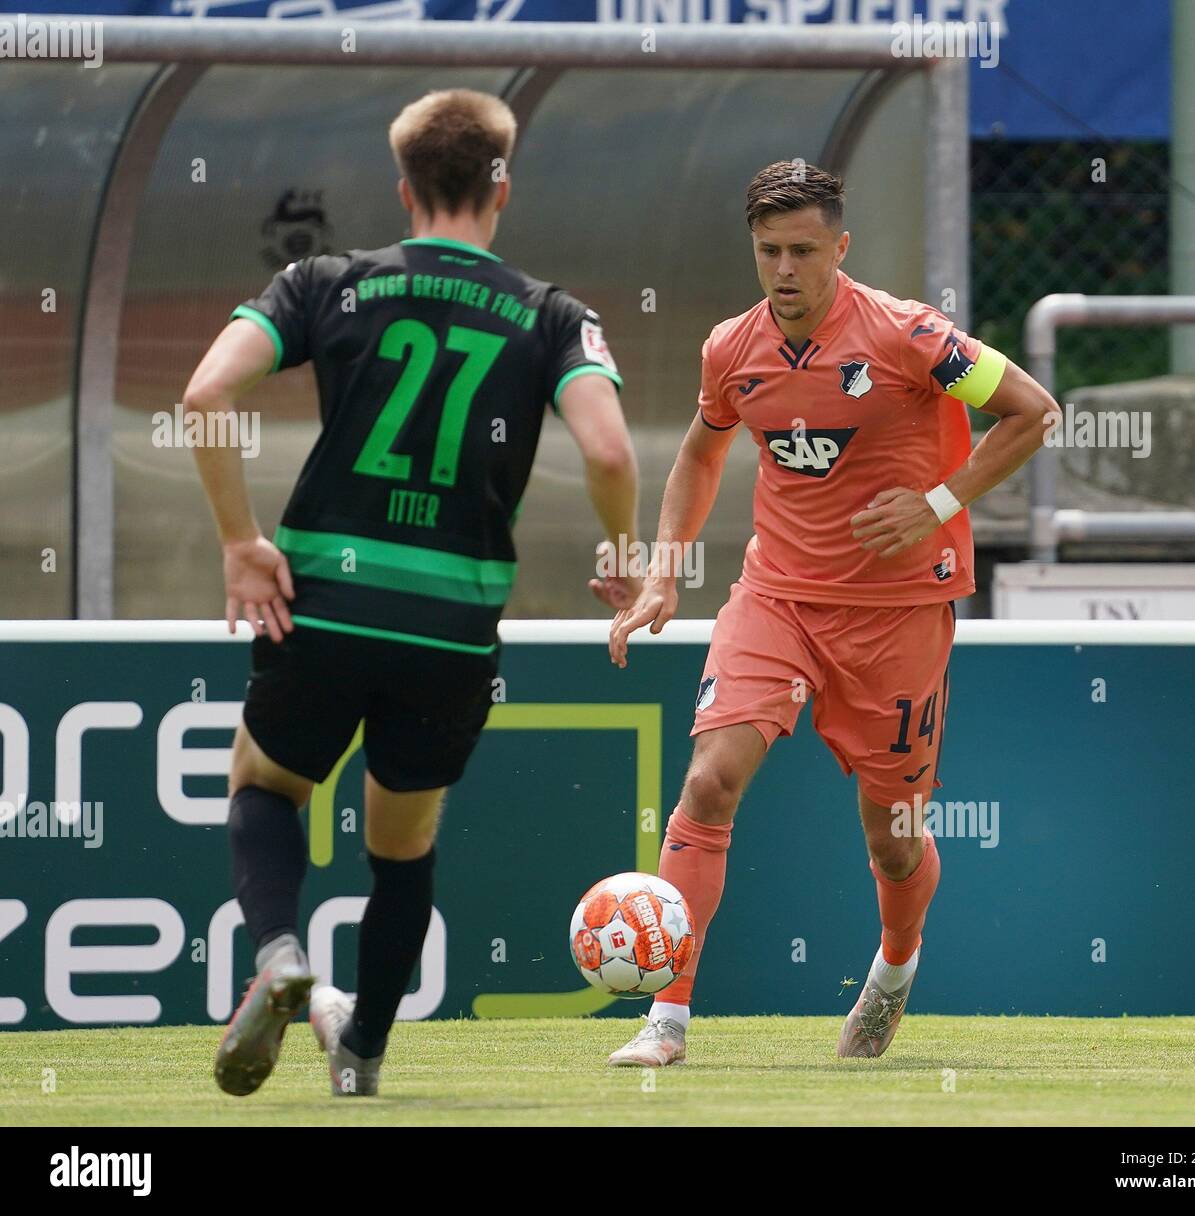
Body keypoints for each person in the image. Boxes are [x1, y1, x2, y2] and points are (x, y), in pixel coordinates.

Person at [185, 88, 638, 1097]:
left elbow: (207, 394)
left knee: (263, 780)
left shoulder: (324, 281)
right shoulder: (551, 312)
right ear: (501, 189)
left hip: (327, 599)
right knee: (403, 841)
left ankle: (279, 957)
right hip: (452, 626)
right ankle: (362, 1057)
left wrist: (239, 541)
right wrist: (627, 553)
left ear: (401, 189)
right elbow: (607, 447)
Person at [606, 161, 1059, 1066]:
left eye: (804, 251)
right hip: (775, 597)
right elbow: (701, 456)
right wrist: (664, 572)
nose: (784, 270)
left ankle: (894, 970)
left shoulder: (910, 337)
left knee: (893, 841)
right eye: (769, 251)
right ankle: (666, 1022)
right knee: (707, 782)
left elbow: (1033, 412)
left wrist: (935, 503)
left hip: (899, 611)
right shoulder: (731, 348)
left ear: (839, 248)